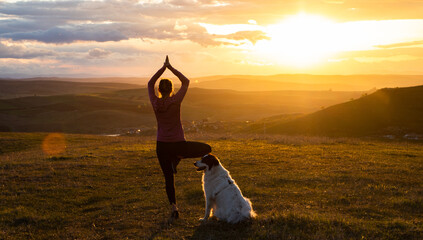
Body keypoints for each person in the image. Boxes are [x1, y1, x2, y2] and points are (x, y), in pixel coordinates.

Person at [148, 56, 212, 221]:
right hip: (178, 144)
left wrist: (162, 68)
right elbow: (186, 81)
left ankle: (174, 207)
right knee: (206, 149)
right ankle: (177, 158)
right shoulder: (176, 100)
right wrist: (170, 67)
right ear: (170, 89)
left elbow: (150, 84)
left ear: (159, 90)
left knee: (169, 178)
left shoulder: (155, 102)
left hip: (161, 145)